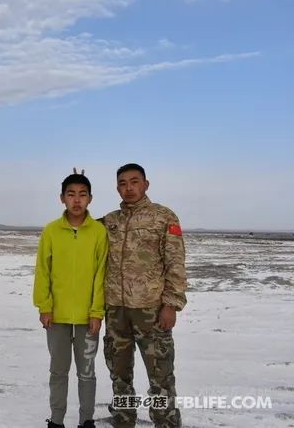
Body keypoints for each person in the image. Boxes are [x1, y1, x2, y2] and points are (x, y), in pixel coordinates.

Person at [102, 163, 187, 428]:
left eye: (134, 182)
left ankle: (166, 422)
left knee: (160, 377)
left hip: (151, 311)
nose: (129, 188)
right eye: (123, 183)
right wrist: (77, 189)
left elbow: (175, 262)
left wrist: (171, 304)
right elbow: (78, 225)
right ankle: (124, 419)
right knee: (119, 375)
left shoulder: (164, 217)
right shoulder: (109, 221)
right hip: (116, 311)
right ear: (117, 187)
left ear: (146, 184)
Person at [34, 173, 108, 428]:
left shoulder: (98, 232)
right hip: (57, 317)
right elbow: (43, 270)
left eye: (82, 194)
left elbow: (101, 274)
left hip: (89, 318)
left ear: (90, 198)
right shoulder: (52, 230)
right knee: (58, 372)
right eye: (71, 194)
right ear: (62, 198)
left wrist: (97, 312)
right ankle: (56, 420)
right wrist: (44, 307)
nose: (77, 200)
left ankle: (86, 420)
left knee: (87, 373)